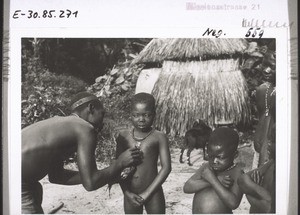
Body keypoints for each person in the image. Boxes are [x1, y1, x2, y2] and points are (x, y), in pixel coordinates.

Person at [22, 92, 142, 214]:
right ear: (91, 108)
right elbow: (91, 183)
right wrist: (120, 163)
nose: (103, 121)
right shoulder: (84, 128)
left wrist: (106, 174)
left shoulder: (60, 124)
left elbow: (56, 176)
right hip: (16, 179)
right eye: (102, 114)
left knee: (35, 190)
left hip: (18, 177)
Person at [115, 92, 171, 214]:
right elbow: (117, 167)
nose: (141, 119)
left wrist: (147, 193)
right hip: (130, 192)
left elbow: (166, 168)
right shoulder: (123, 137)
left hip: (153, 192)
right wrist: (127, 193)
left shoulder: (159, 137)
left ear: (154, 115)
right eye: (136, 115)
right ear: (130, 115)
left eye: (146, 115)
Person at [183, 127, 244, 214]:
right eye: (211, 156)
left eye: (220, 157)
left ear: (235, 155)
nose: (214, 161)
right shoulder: (207, 167)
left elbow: (233, 203)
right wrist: (213, 181)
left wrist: (213, 180)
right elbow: (187, 187)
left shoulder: (237, 173)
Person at [238, 126, 275, 213]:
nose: (268, 144)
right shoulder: (272, 163)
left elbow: (269, 207)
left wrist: (250, 192)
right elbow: (242, 179)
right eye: (269, 139)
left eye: (273, 141)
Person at [252, 49, 276, 168]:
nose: (266, 70)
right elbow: (263, 117)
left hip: (271, 153)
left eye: (272, 67)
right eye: (264, 65)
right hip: (259, 148)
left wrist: (264, 154)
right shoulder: (261, 90)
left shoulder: (286, 94)